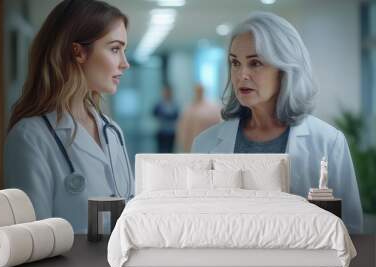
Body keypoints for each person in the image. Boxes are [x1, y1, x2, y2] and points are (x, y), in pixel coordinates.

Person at [191, 12, 363, 233]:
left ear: (285, 70)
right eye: (235, 63)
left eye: (255, 63)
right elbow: (197, 225)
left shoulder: (328, 143)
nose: (241, 74)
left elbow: (350, 232)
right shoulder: (205, 144)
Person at [4, 0, 133, 234]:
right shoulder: (30, 137)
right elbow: (34, 240)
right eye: (115, 49)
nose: (125, 63)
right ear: (78, 52)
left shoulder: (112, 131)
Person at [176, 84, 221, 152]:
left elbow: (218, 126)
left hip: (208, 145)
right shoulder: (188, 109)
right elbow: (183, 131)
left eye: (200, 90)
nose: (199, 92)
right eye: (197, 91)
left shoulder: (213, 108)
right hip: (192, 145)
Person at [152, 86, 179, 153]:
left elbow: (177, 116)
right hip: (162, 131)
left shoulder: (174, 104)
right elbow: (154, 113)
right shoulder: (159, 104)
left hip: (171, 132)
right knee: (161, 151)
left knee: (170, 151)